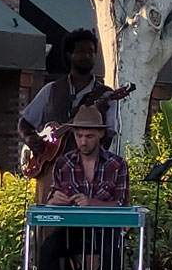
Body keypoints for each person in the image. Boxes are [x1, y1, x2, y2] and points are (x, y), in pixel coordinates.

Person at [35, 105, 129, 270]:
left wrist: (92, 202)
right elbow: (51, 198)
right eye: (78, 136)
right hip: (73, 230)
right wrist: (54, 201)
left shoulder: (117, 165)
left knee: (110, 254)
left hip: (104, 229)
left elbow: (122, 204)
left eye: (89, 136)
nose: (83, 141)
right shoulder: (63, 163)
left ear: (101, 135)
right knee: (48, 248)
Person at [19, 28, 119, 204]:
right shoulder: (51, 90)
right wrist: (29, 138)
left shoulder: (105, 95)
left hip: (86, 172)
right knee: (47, 224)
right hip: (49, 169)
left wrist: (99, 115)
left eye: (91, 52)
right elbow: (25, 122)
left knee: (79, 226)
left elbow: (107, 139)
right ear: (69, 55)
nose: (87, 56)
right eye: (81, 52)